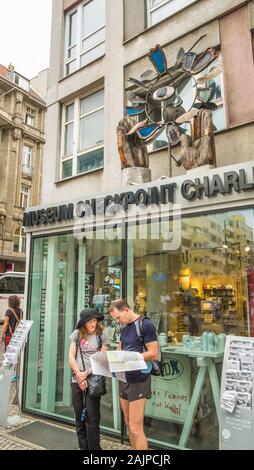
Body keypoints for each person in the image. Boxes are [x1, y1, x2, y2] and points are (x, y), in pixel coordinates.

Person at [109, 299, 159, 450]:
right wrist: (111, 358)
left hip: (140, 379)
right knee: (128, 422)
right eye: (115, 320)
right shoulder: (124, 329)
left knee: (136, 427)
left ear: (126, 310)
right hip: (125, 377)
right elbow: (121, 348)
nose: (118, 321)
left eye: (118, 318)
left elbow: (154, 354)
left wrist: (131, 357)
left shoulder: (145, 324)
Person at [69, 308, 109, 450]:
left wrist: (85, 374)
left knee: (92, 419)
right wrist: (79, 376)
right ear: (84, 323)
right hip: (77, 380)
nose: (93, 323)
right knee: (79, 417)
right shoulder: (77, 334)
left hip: (93, 381)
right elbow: (71, 357)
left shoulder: (102, 335)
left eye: (94, 320)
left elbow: (102, 360)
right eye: (90, 321)